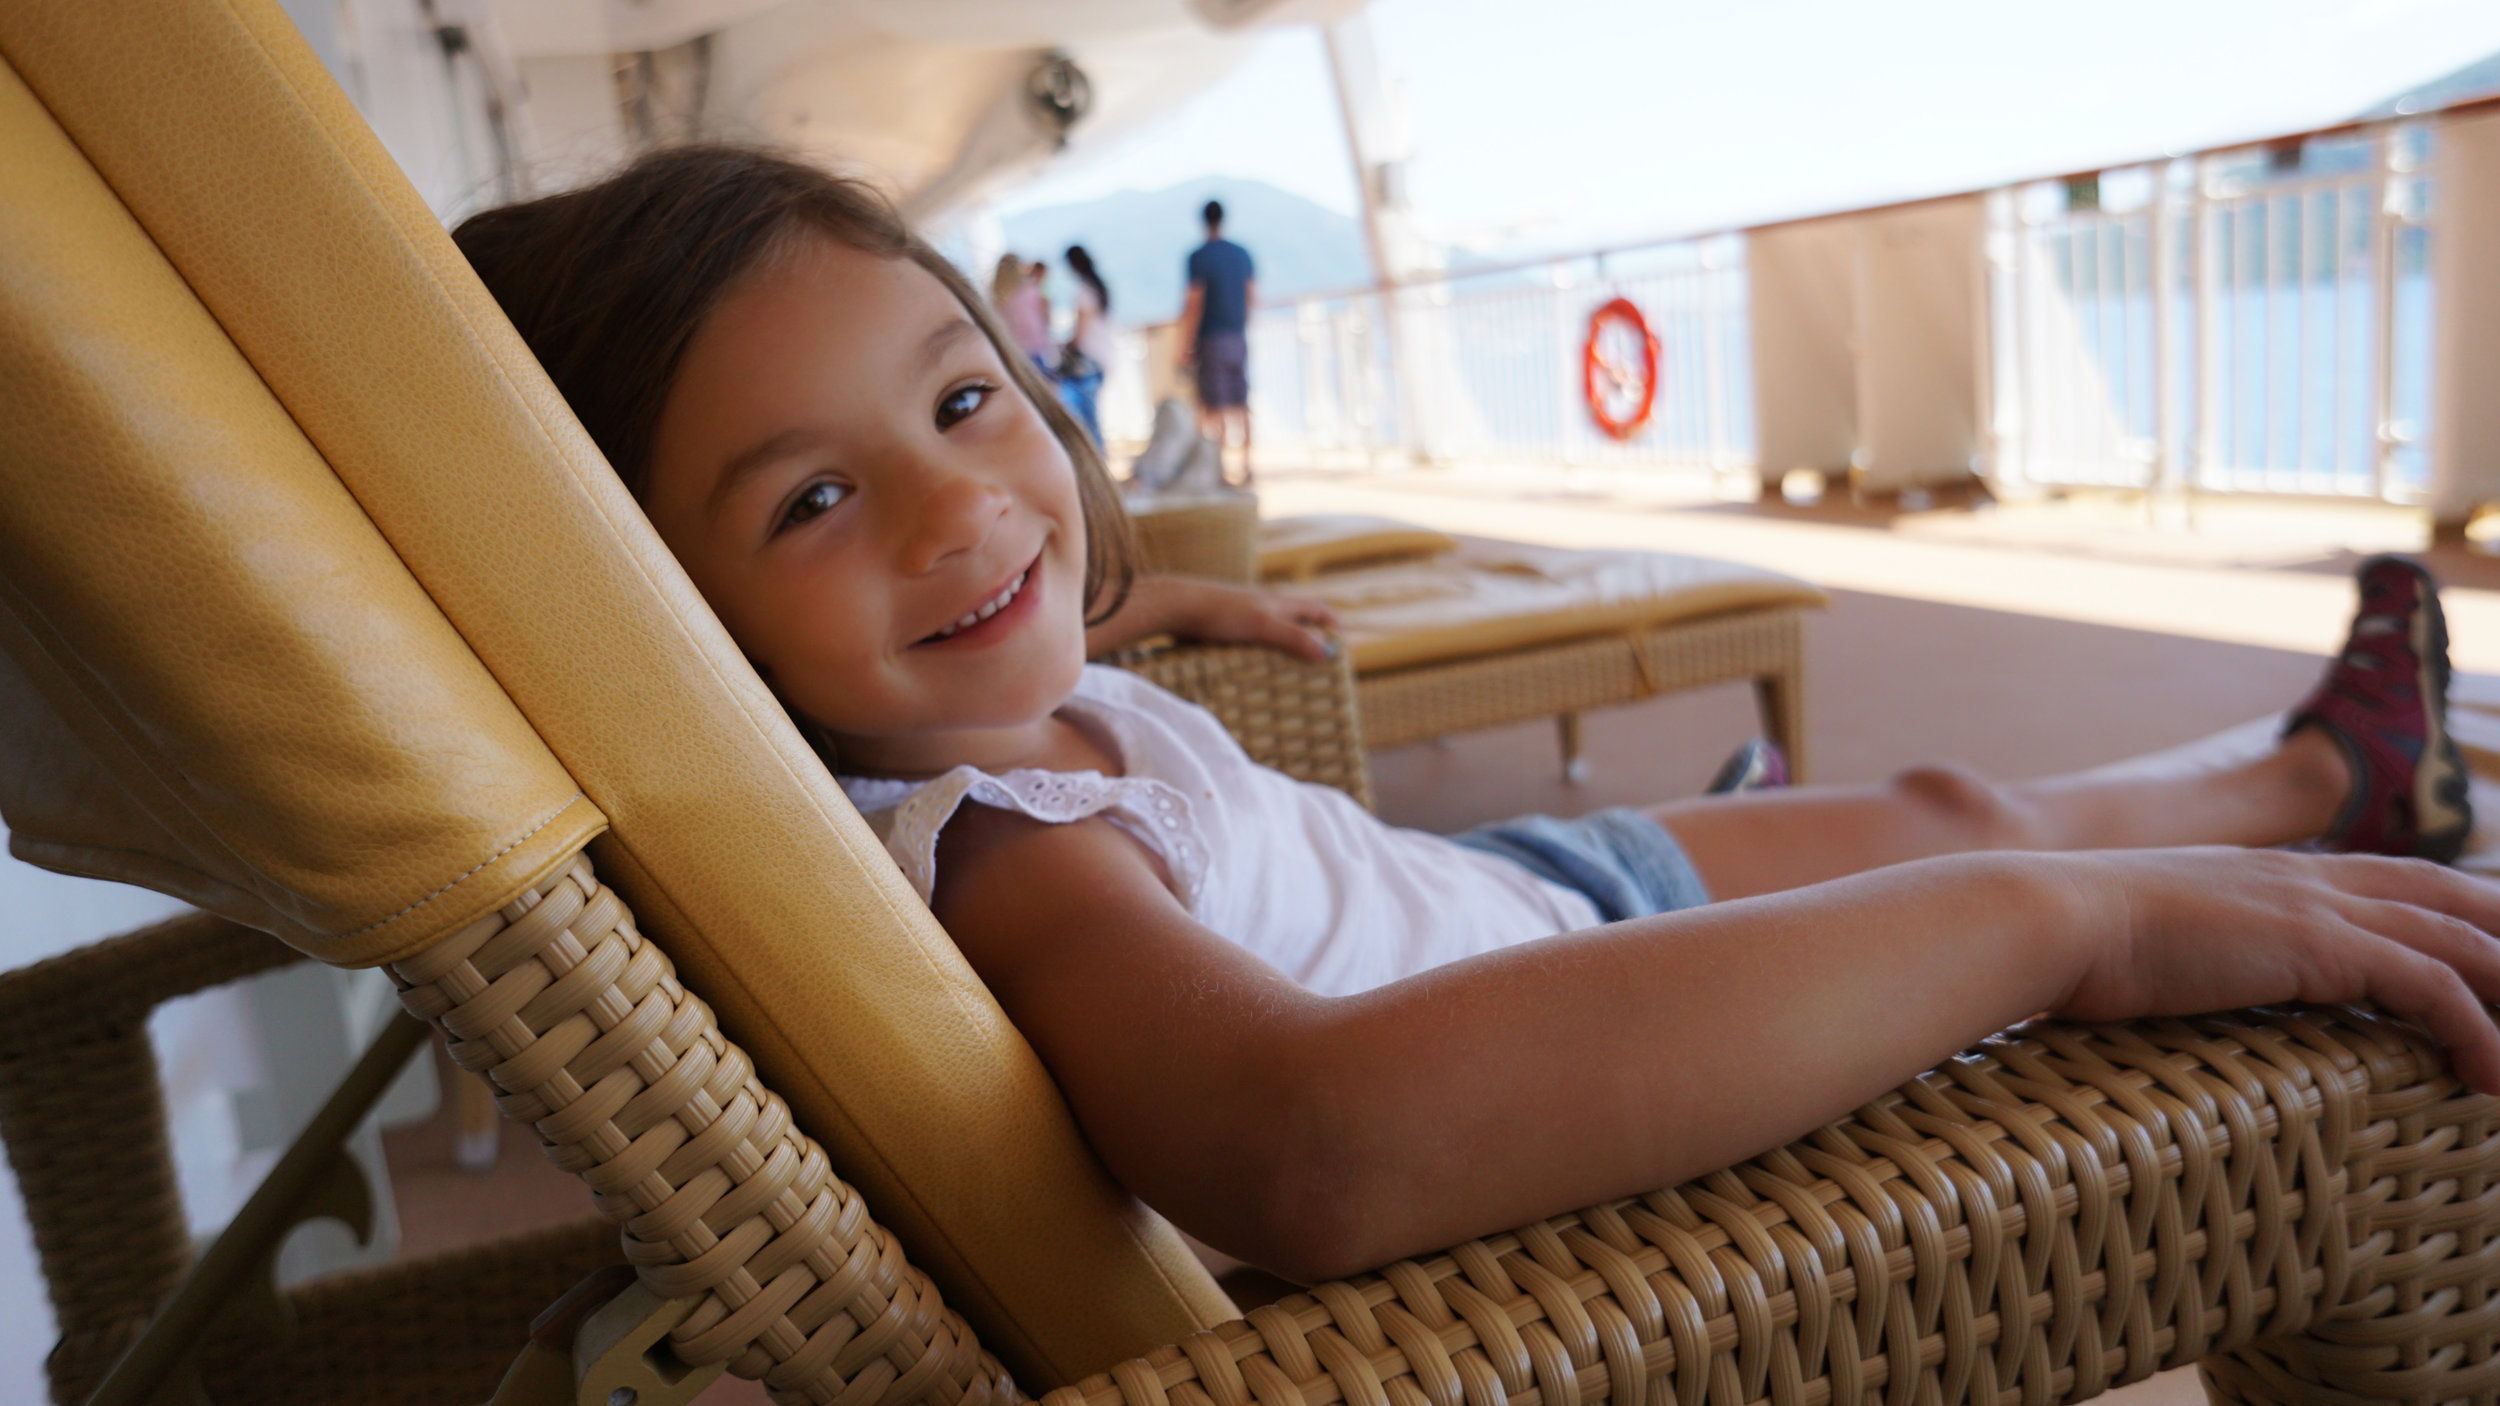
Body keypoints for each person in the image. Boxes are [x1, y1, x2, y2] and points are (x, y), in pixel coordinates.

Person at [454, 146, 2499, 1286]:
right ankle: (2275, 812)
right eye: (810, 498)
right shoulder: (1010, 869)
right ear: (669, 619)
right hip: (1569, 979)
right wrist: (2067, 930)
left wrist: (1170, 592)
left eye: (962, 396)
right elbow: (1312, 1145)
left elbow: (1028, 598)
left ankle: (2333, 771)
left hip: (1500, 880)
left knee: (1958, 783)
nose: (957, 500)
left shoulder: (981, 704)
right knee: (1997, 866)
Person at [1177, 199, 1255, 483]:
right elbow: (1251, 297)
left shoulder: (1198, 257)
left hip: (1211, 338)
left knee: (1214, 404)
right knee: (1242, 402)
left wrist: (1185, 346)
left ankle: (1219, 470)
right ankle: (1248, 465)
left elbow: (1193, 303)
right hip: (1237, 336)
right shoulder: (1242, 254)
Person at [1058, 244, 1114, 446]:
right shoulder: (1100, 288)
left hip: (1086, 362)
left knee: (1085, 421)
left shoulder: (1084, 293)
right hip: (1103, 357)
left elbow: (1079, 335)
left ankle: (1096, 466)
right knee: (1092, 418)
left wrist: (1065, 344)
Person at [989, 252, 1054, 371]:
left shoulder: (996, 298)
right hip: (1033, 350)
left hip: (1008, 354)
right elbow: (1038, 323)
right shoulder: (1030, 292)